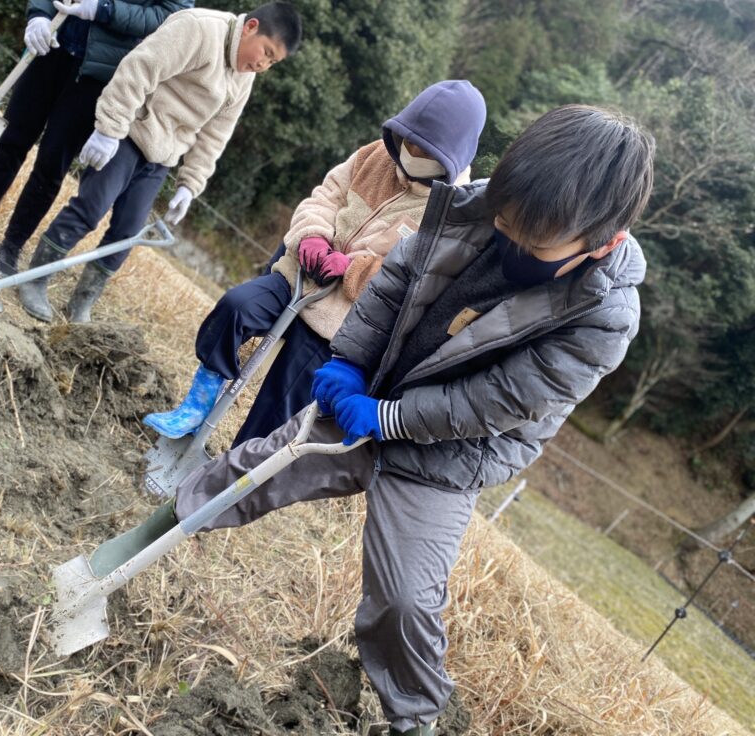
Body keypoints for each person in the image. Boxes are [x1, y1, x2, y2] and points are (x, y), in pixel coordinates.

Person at [124, 105, 654, 735]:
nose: (509, 241)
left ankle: (414, 718)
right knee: (254, 467)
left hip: (448, 457)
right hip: (372, 394)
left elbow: (496, 401)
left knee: (403, 602)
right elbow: (394, 283)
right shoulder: (472, 210)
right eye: (505, 224)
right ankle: (137, 544)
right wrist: (350, 361)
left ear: (601, 241)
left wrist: (391, 418)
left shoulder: (603, 315)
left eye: (534, 243)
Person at [143, 80, 487, 443]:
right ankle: (198, 404)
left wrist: (353, 269)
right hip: (299, 274)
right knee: (235, 308)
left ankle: (229, 479)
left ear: (449, 156)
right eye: (408, 140)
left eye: (423, 149)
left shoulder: (446, 215)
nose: (410, 152)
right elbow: (326, 196)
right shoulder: (375, 156)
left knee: (279, 406)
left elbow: (410, 280)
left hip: (338, 319)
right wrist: (313, 236)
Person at [18, 1, 303, 323]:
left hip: (162, 155)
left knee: (127, 232)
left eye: (273, 62)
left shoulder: (243, 77)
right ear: (251, 27)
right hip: (130, 132)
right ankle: (34, 279)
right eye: (265, 52)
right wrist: (109, 129)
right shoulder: (199, 28)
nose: (263, 65)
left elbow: (215, 134)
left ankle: (82, 302)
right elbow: (139, 69)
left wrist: (190, 184)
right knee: (90, 209)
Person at [0, 0, 202, 279]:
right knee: (11, 137)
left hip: (98, 72)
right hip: (53, 42)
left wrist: (104, 10)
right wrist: (38, 14)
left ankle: (11, 246)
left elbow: (171, 18)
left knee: (52, 162)